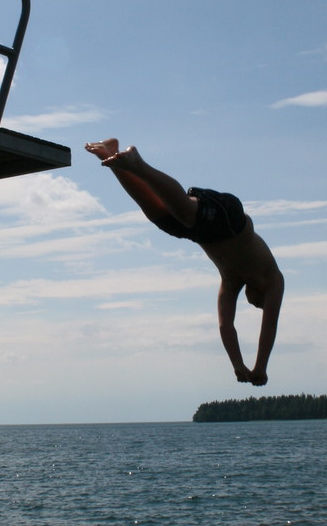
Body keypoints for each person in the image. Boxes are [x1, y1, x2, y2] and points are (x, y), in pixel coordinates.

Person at [86, 139, 284, 386]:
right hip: (230, 220)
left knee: (156, 213)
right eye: (259, 306)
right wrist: (260, 368)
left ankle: (112, 155)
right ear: (263, 296)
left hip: (200, 233)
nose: (256, 306)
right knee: (186, 214)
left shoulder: (231, 283)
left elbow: (226, 326)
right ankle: (139, 164)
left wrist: (238, 366)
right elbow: (269, 327)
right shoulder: (273, 279)